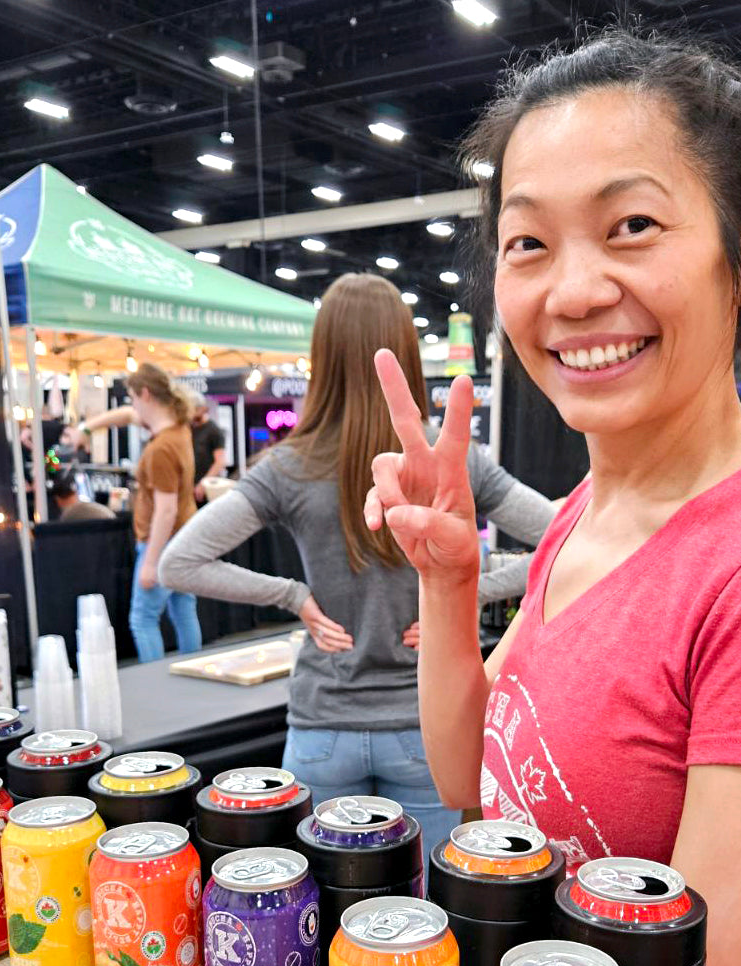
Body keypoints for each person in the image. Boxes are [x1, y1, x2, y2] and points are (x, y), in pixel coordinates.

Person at [364, 30, 741, 966]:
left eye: (631, 226)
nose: (576, 290)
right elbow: (476, 790)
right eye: (528, 244)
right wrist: (448, 586)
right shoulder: (586, 514)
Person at [159, 273, 557, 863]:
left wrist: (296, 598)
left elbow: (177, 563)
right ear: (404, 346)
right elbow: (567, 538)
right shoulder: (450, 461)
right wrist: (463, 593)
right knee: (427, 918)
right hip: (424, 732)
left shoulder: (288, 466)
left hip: (324, 726)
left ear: (322, 355)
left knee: (322, 919)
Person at [125, 363, 202, 662]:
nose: (132, 405)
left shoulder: (161, 449)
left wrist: (151, 562)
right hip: (185, 535)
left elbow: (165, 510)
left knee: (142, 618)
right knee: (183, 609)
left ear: (145, 394)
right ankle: (193, 673)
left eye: (132, 397)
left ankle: (153, 682)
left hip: (163, 541)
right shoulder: (180, 431)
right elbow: (127, 416)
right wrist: (86, 428)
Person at [189, 391, 227, 503]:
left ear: (202, 408)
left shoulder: (213, 431)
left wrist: (203, 483)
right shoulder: (189, 429)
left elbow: (220, 461)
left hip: (205, 491)